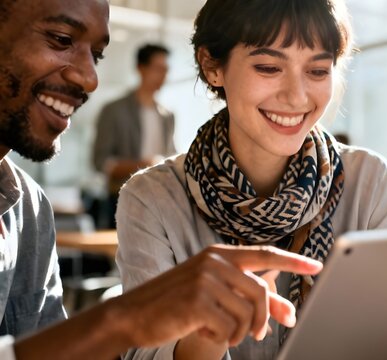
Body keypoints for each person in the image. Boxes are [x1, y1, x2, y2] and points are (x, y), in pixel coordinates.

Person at [115, 0, 387, 359]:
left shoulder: (368, 181)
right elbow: (144, 353)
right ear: (212, 66)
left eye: (318, 71)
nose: (297, 96)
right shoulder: (152, 198)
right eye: (268, 67)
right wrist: (209, 333)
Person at [0, 0, 326, 359]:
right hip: (114, 193)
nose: (90, 78)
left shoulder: (28, 208)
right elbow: (101, 161)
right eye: (61, 39)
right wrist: (119, 321)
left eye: (97, 55)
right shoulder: (124, 134)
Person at [93, 43, 176, 228]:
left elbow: (171, 155)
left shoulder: (167, 116)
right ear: (140, 68)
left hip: (160, 203)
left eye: (166, 70)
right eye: (158, 69)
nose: (163, 76)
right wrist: (145, 164)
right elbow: (100, 162)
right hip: (120, 200)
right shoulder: (113, 110)